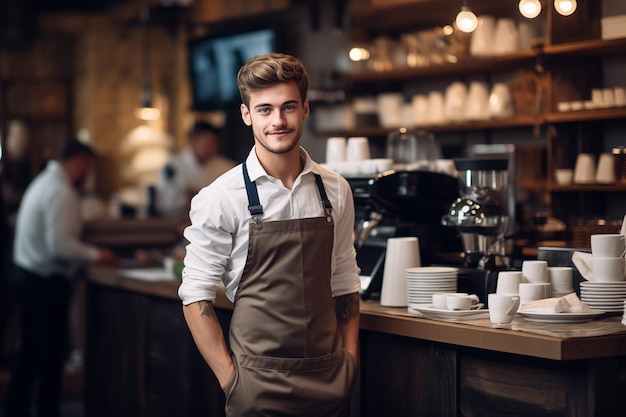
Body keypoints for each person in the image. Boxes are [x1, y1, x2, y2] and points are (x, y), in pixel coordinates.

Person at [179, 52, 361, 417]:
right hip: (256, 386)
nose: (278, 120)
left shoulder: (336, 190)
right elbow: (196, 295)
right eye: (264, 109)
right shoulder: (219, 198)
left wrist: (349, 362)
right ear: (247, 115)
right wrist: (232, 380)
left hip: (330, 381)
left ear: (305, 109)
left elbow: (344, 279)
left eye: (288, 107)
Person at [5, 139, 118, 417]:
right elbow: (61, 245)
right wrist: (97, 255)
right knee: (49, 356)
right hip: (42, 282)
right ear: (78, 161)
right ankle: (47, 410)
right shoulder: (61, 191)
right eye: (88, 167)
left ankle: (16, 408)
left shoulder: (44, 182)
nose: (87, 175)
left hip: (26, 275)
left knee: (30, 353)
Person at [157, 121, 236, 218]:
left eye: (213, 143)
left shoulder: (227, 168)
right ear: (193, 140)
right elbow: (166, 204)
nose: (211, 147)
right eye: (207, 143)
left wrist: (195, 196)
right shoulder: (173, 167)